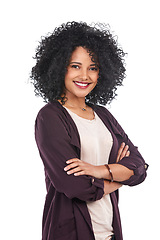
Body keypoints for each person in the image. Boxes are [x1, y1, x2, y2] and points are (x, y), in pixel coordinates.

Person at [31, 21, 148, 240]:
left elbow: (140, 168)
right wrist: (121, 175)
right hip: (70, 233)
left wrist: (97, 170)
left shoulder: (104, 116)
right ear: (59, 67)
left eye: (92, 68)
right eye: (75, 66)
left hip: (110, 232)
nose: (84, 76)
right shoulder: (50, 117)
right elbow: (77, 186)